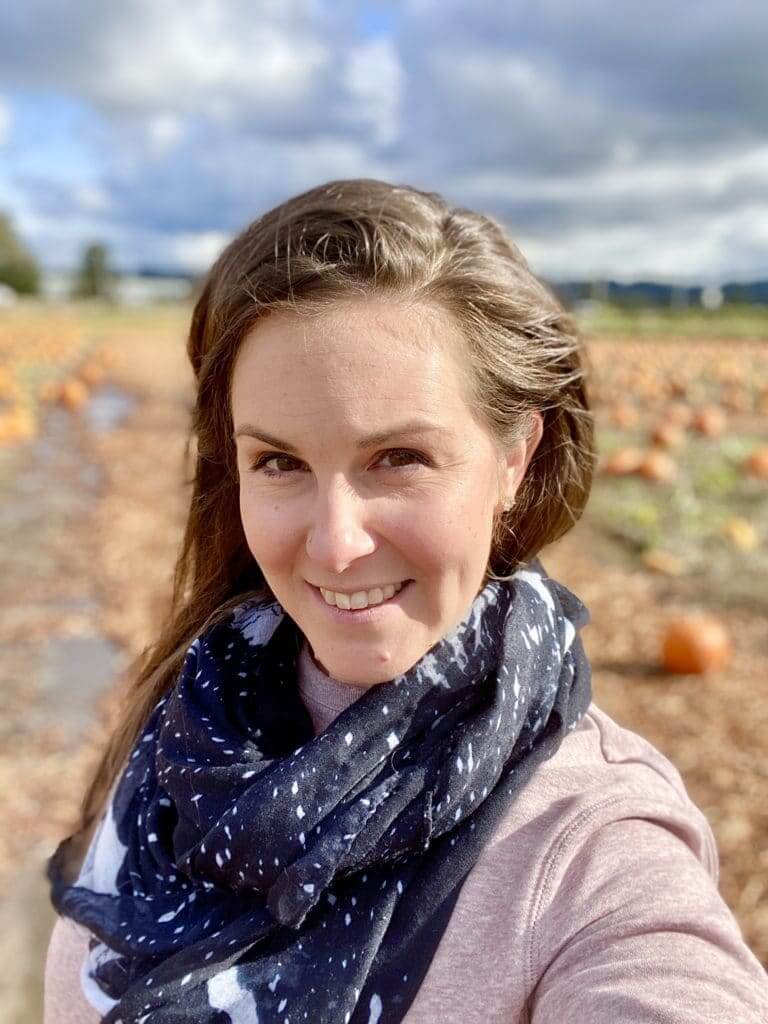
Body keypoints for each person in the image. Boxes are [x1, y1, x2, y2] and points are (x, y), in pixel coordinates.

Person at [44, 179, 768, 1023]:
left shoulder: (588, 844)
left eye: (399, 458)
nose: (336, 542)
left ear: (514, 460)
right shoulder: (194, 720)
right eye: (279, 462)